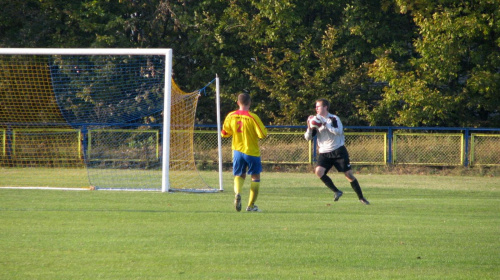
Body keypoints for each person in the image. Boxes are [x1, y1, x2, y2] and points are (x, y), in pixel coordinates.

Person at [304, 98, 370, 205]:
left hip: (338, 150)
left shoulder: (333, 118)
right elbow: (308, 138)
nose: (316, 108)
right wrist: (309, 127)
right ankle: (337, 191)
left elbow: (338, 131)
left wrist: (325, 124)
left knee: (348, 175)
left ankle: (361, 198)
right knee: (318, 171)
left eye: (318, 106)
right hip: (324, 152)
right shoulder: (315, 120)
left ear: (325, 107)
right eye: (315, 106)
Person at [222, 93, 268, 212]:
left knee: (239, 175)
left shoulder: (231, 116)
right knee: (255, 176)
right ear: (250, 103)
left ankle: (238, 193)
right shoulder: (253, 117)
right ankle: (251, 205)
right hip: (251, 151)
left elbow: (224, 133)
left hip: (237, 151)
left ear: (238, 103)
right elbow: (262, 135)